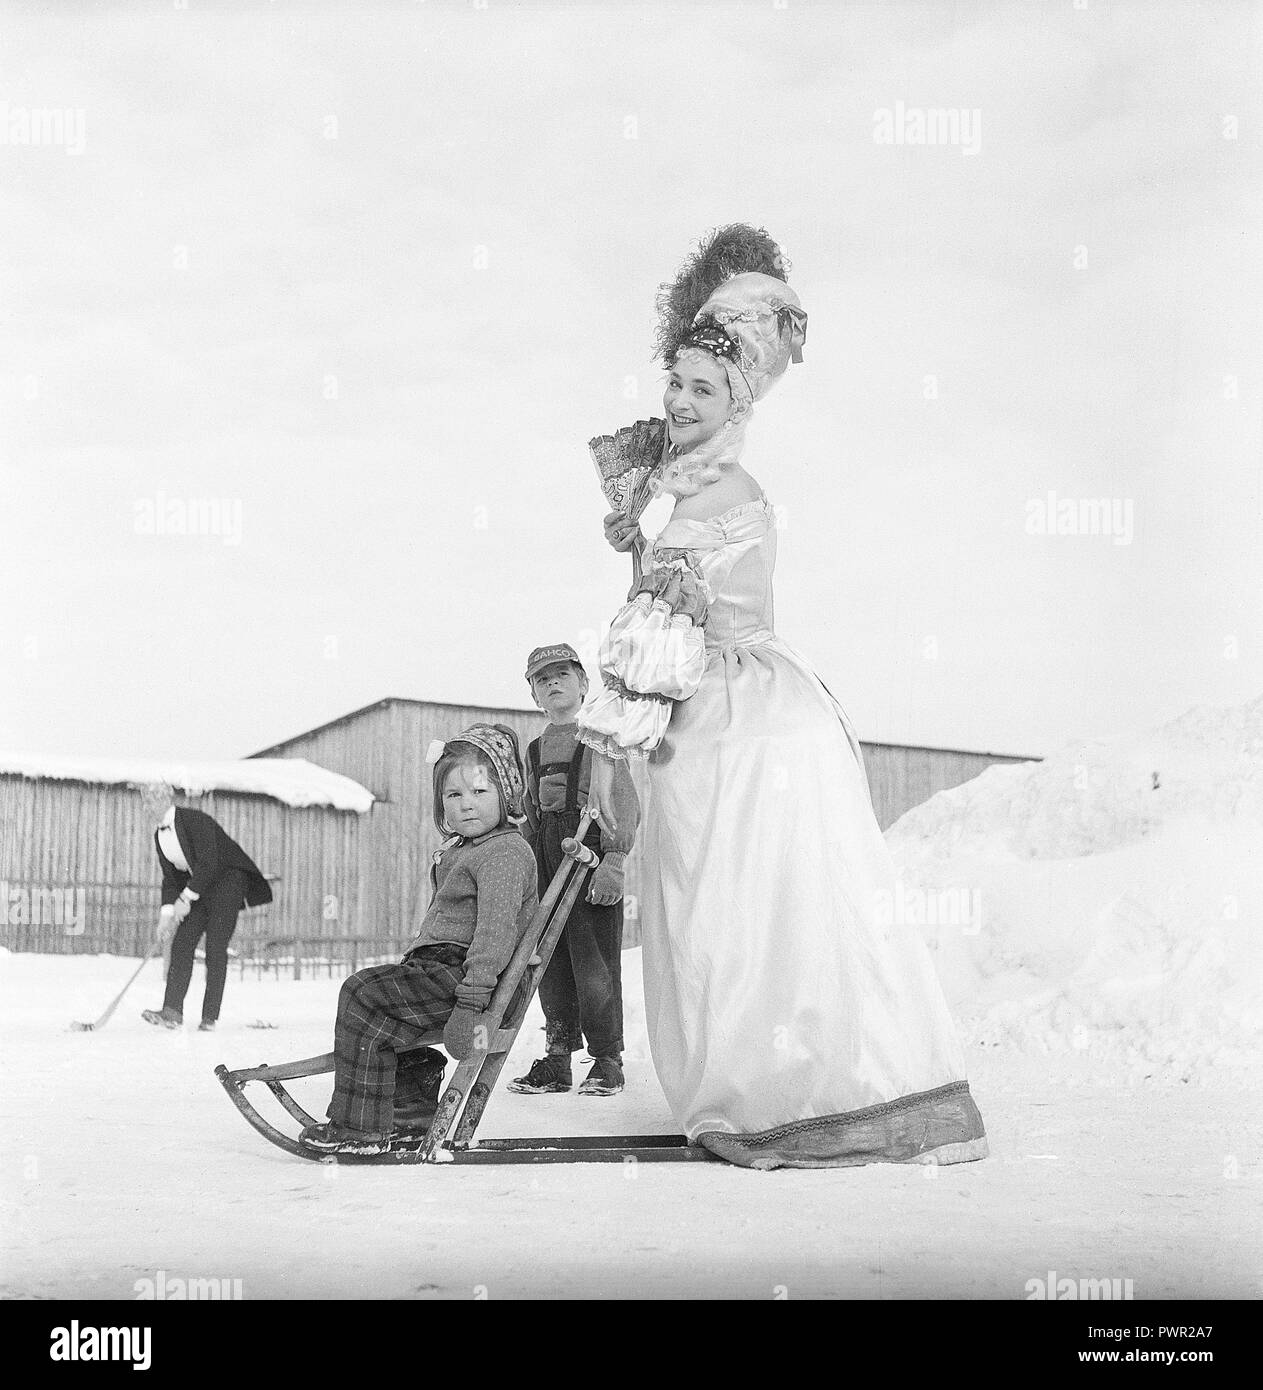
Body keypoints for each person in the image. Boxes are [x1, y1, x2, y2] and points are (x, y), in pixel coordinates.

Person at [577, 224, 989, 1169]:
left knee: (731, 911)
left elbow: (653, 649)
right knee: (784, 907)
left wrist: (609, 760)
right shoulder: (711, 485)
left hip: (734, 725)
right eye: (673, 385)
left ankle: (777, 1097)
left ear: (738, 400)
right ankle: (839, 1081)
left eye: (702, 389)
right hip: (768, 701)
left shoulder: (706, 500)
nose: (679, 402)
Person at [299, 724, 537, 1154]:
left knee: (362, 993)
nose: (466, 806)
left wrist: (471, 1003)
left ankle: (359, 1128)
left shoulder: (503, 852)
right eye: (454, 795)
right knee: (376, 998)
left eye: (480, 793)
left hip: (472, 981)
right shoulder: (469, 848)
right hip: (446, 971)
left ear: (507, 794)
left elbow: (496, 934)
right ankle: (408, 1112)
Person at [508, 643, 640, 1098]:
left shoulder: (602, 737)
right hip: (548, 865)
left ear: (584, 685)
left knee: (595, 964)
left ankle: (607, 1060)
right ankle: (557, 1059)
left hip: (589, 863)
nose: (553, 683)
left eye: (563, 673)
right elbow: (528, 815)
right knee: (549, 962)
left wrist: (614, 861)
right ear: (534, 696)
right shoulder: (535, 748)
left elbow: (622, 801)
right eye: (542, 679)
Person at [140, 784, 272, 1032]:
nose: (145, 808)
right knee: (182, 943)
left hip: (228, 882)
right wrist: (166, 916)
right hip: (201, 886)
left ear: (163, 801)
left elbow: (210, 863)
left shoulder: (193, 820)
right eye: (144, 802)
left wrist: (186, 899)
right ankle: (172, 1012)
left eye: (149, 802)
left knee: (215, 946)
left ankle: (209, 1017)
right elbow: (171, 879)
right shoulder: (160, 836)